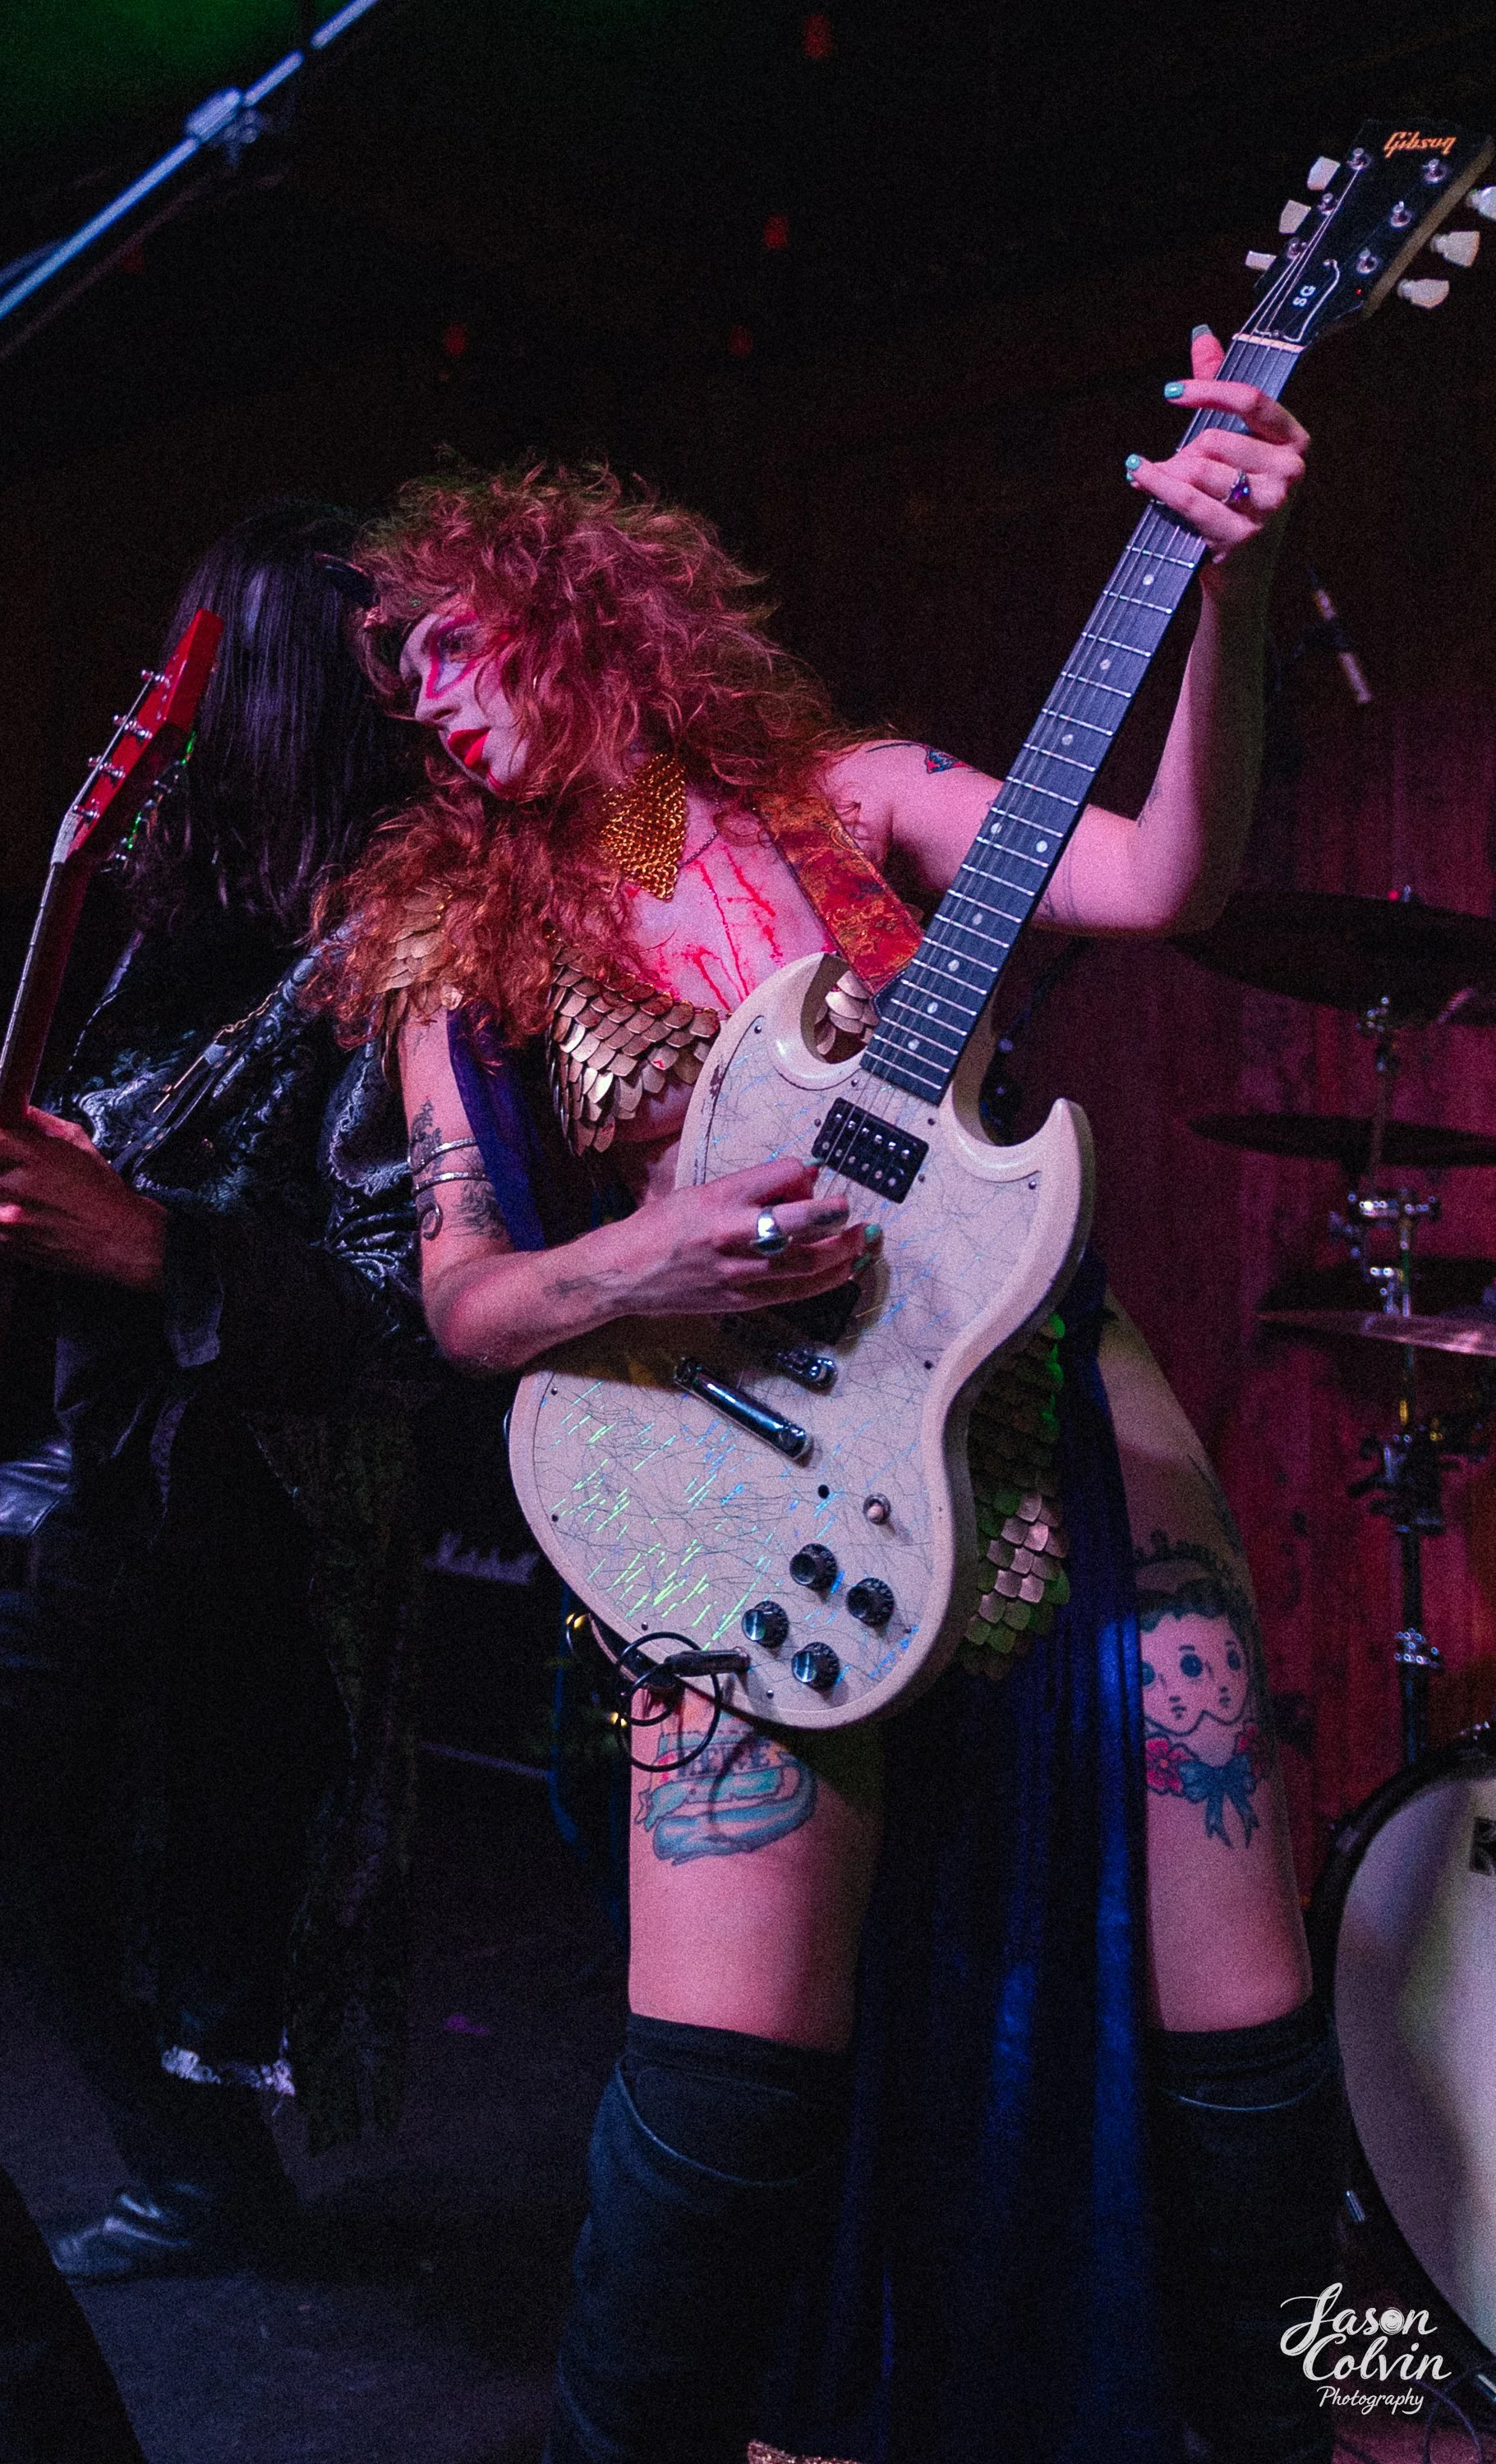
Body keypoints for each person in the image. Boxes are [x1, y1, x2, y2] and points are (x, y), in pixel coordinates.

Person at [316, 333, 1337, 2464]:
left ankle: (1299, 2419)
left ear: (585, 599)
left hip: (1032, 1382)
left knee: (1243, 2007)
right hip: (732, 1459)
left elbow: (1160, 880)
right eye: (385, 672)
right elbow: (468, 1296)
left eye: (438, 635)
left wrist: (1224, 584)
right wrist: (642, 1257)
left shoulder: (849, 799)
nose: (411, 689)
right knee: (722, 2079)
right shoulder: (454, 950)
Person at [0, 501, 434, 2464]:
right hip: (52, 1468)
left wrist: (156, 1251)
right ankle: (202, 2175)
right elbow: (43, 1175)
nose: (159, 703)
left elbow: (420, 1330)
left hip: (185, 1521)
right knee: (34, 1878)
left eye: (197, 667)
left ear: (279, 699)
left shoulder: (405, 966)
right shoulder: (167, 949)